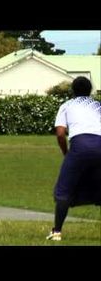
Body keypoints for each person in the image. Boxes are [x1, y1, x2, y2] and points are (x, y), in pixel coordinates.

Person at [46, 76, 101, 241]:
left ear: (72, 90)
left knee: (63, 191)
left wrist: (66, 152)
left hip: (79, 145)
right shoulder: (98, 105)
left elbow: (61, 133)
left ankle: (56, 232)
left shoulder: (67, 105)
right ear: (90, 90)